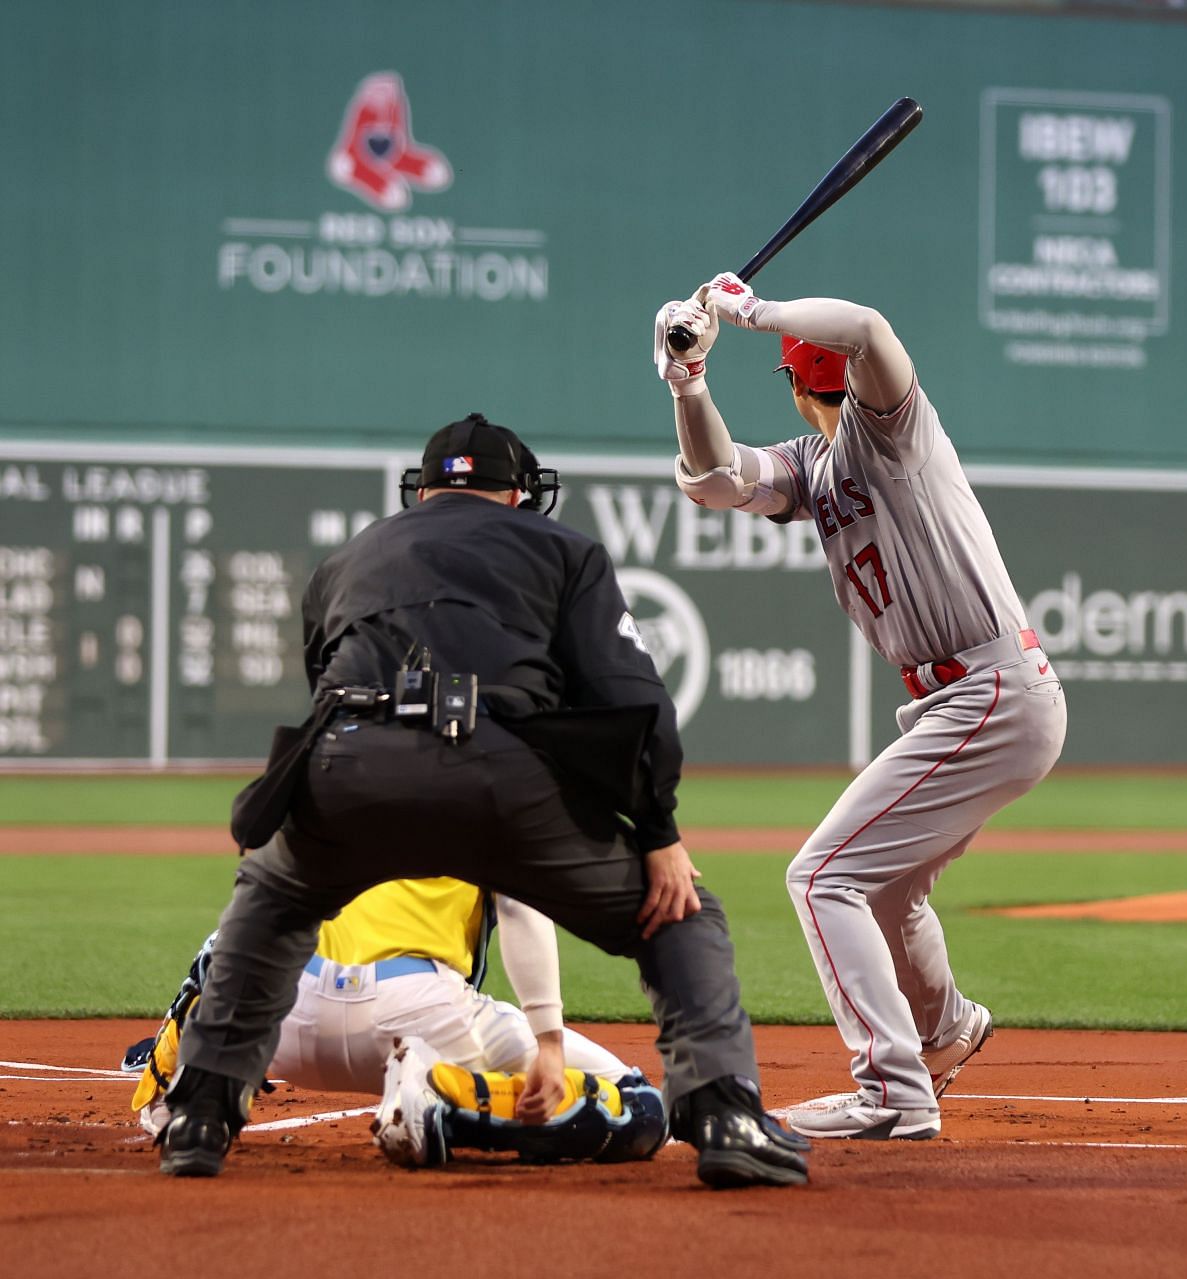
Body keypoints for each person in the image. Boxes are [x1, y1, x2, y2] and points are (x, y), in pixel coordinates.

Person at [153, 413, 808, 1189]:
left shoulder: (350, 558)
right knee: (682, 915)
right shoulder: (565, 550)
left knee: (267, 902)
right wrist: (657, 828)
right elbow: (637, 701)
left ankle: (198, 1113)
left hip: (350, 763)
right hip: (499, 774)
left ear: (423, 490)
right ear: (517, 494)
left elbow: (322, 686)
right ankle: (725, 1112)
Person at [653, 274, 1067, 1139]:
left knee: (822, 875)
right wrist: (689, 382)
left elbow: (869, 325)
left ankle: (892, 1089)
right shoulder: (812, 467)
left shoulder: (894, 429)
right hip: (972, 696)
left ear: (801, 385)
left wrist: (751, 309)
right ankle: (943, 1030)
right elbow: (717, 478)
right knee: (884, 892)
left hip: (987, 688)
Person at [128, 878, 667, 1166]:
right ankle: (446, 1099)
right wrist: (547, 1040)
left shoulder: (339, 767)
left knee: (229, 945)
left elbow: (253, 913)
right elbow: (524, 912)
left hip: (284, 1016)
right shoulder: (499, 782)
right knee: (639, 1105)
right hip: (421, 1020)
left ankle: (190, 1099)